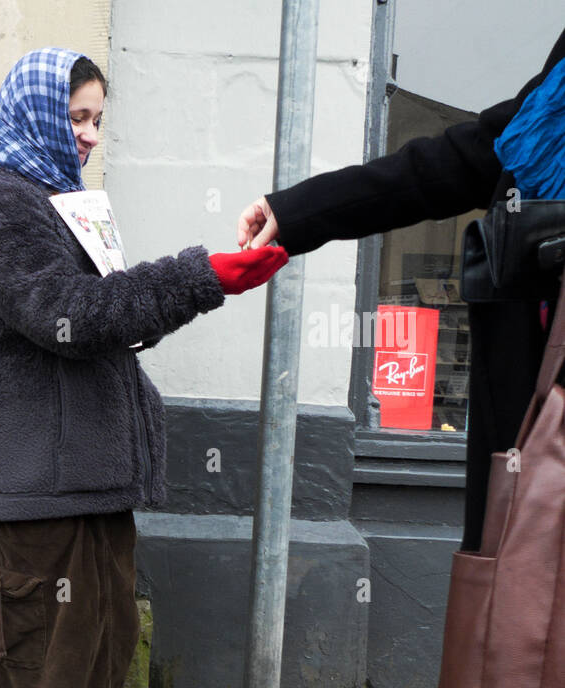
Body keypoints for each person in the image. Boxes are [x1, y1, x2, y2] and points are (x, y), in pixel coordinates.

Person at [0, 47, 287, 688]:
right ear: (40, 112)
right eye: (76, 118)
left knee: (86, 659)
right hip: (40, 490)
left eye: (97, 121)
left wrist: (189, 289)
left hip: (80, 479)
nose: (88, 136)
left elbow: (108, 320)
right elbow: (69, 314)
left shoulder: (50, 201)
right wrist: (204, 275)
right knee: (33, 664)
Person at [236, 25, 565, 554]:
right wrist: (297, 212)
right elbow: (457, 163)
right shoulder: (554, 98)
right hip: (531, 415)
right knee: (512, 601)